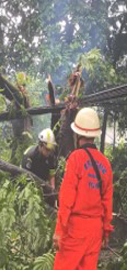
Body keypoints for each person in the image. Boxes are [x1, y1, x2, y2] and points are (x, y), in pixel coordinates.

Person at [53, 107, 113, 270]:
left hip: (76, 229)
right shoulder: (106, 164)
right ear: (94, 135)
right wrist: (106, 232)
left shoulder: (76, 159)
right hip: (95, 230)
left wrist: (59, 230)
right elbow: (107, 202)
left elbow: (66, 199)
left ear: (78, 134)